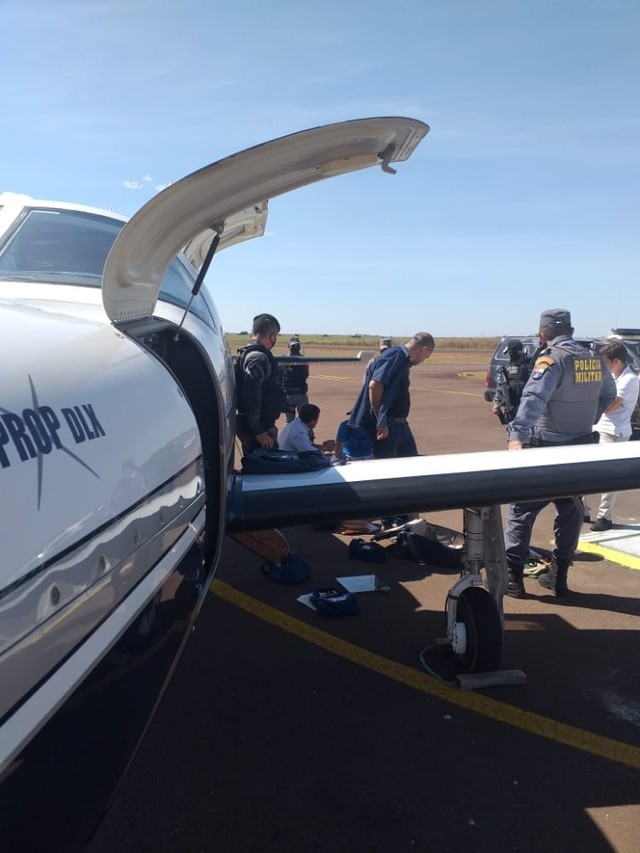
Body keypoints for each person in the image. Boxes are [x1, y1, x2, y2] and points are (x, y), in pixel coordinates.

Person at [503, 309, 617, 599]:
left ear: (542, 333)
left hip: (546, 448)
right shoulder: (595, 360)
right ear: (572, 329)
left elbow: (533, 399)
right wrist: (586, 419)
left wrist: (516, 436)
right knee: (571, 512)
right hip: (580, 449)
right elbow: (609, 396)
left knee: (521, 511)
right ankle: (559, 576)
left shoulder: (551, 359)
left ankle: (513, 578)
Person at [348, 332, 435, 459]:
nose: (423, 361)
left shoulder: (402, 360)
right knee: (388, 467)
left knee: (410, 464)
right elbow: (375, 385)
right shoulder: (396, 356)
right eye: (426, 357)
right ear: (424, 349)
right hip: (388, 425)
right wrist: (381, 421)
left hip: (399, 423)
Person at [583, 341, 640, 531]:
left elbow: (608, 407)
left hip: (615, 432)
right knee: (589, 472)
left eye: (606, 363)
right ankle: (583, 510)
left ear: (616, 362)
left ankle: (604, 516)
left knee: (609, 478)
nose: (603, 367)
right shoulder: (613, 378)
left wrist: (603, 400)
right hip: (599, 427)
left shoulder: (629, 380)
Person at [235, 313, 289, 457]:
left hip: (259, 427)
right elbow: (251, 396)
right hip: (260, 431)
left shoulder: (250, 354)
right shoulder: (258, 358)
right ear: (272, 336)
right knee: (266, 471)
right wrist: (259, 432)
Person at [492, 339, 532, 424]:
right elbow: (500, 388)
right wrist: (496, 404)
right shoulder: (506, 369)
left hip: (528, 408)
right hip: (512, 408)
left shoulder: (531, 366)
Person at [280, 336, 309, 423]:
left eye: (297, 345)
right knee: (290, 421)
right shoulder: (284, 360)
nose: (295, 347)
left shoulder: (303, 360)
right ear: (289, 346)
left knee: (305, 420)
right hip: (288, 395)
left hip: (301, 393)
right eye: (293, 346)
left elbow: (306, 374)